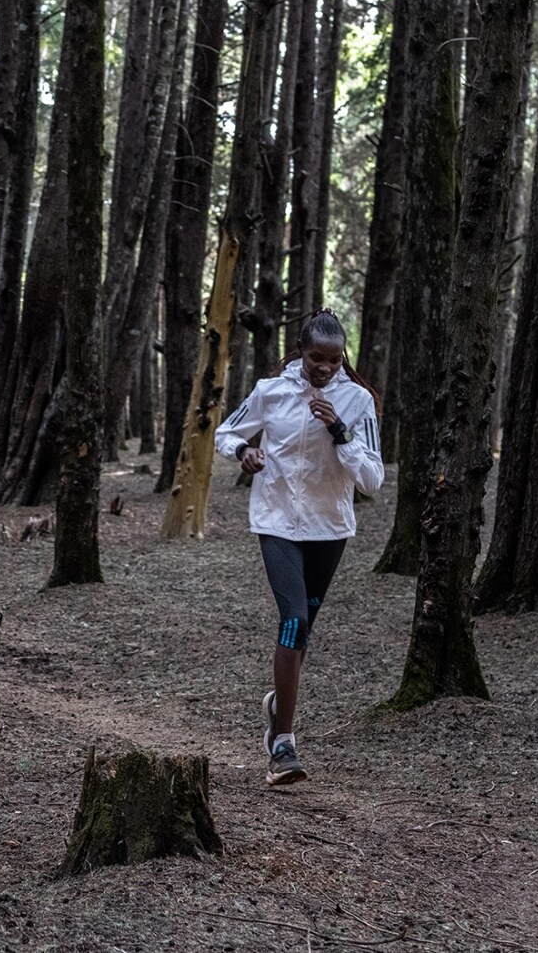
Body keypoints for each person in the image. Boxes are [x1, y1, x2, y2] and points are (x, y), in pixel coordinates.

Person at [216, 309, 383, 786]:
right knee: (293, 621)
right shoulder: (272, 392)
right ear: (302, 352)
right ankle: (283, 743)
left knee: (303, 630)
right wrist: (243, 453)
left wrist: (340, 432)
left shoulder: (357, 401)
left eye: (333, 360)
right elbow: (228, 432)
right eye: (316, 358)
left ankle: (276, 705)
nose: (324, 368)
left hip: (330, 529)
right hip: (277, 522)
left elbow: (372, 479)